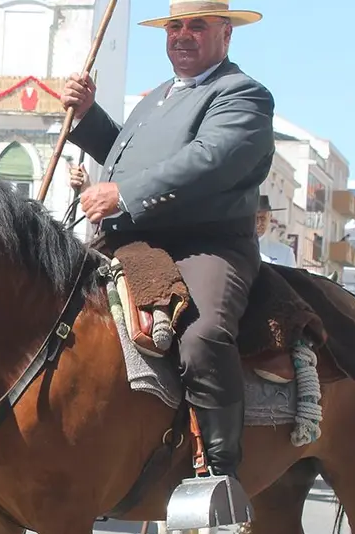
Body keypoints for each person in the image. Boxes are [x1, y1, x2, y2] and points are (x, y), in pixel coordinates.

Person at [61, 1, 273, 495]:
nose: (182, 35)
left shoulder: (242, 94)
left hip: (206, 243)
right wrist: (89, 117)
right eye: (174, 26)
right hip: (132, 237)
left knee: (202, 335)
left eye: (196, 26)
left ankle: (220, 473)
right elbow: (124, 156)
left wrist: (124, 195)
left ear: (226, 33)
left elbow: (210, 159)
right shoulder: (156, 97)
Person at [255, 195, 295, 267]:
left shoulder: (285, 253)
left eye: (263, 218)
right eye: (255, 218)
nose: (258, 223)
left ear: (270, 217)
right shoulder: (236, 250)